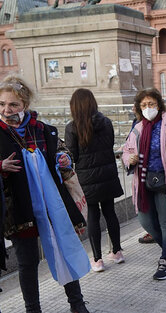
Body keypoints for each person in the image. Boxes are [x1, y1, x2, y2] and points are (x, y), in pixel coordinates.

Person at [0, 76, 90, 313]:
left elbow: (64, 158)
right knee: (27, 263)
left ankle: (77, 303)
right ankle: (33, 310)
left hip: (52, 206)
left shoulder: (44, 131)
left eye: (13, 105)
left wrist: (63, 159)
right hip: (19, 208)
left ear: (25, 106)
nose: (6, 110)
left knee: (64, 248)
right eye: (1, 104)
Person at [122, 87, 166, 280]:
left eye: (151, 104)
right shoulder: (138, 128)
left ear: (159, 104)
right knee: (145, 220)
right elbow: (126, 151)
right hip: (144, 183)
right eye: (144, 105)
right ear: (139, 108)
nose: (148, 108)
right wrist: (128, 159)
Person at [65, 89, 124, 272]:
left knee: (92, 216)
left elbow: (71, 155)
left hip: (87, 178)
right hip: (108, 174)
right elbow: (110, 145)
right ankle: (117, 252)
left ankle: (97, 260)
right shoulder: (106, 122)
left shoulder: (72, 127)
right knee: (110, 212)